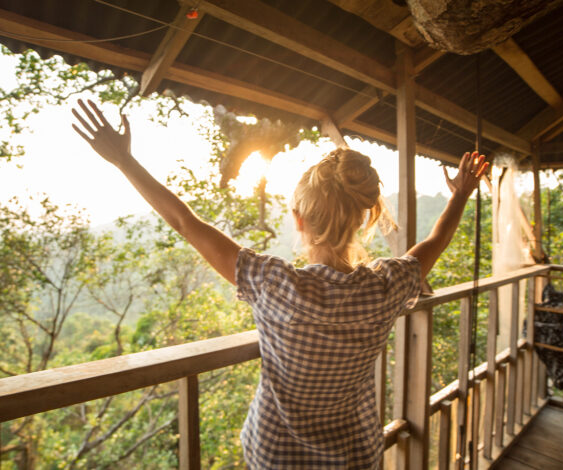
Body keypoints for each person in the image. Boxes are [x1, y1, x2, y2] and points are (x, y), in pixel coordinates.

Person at [71, 99, 488, 469]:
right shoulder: (386, 287)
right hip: (354, 455)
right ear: (363, 217)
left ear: (299, 220)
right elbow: (434, 242)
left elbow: (185, 222)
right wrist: (461, 194)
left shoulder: (272, 284)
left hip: (275, 455)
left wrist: (124, 161)